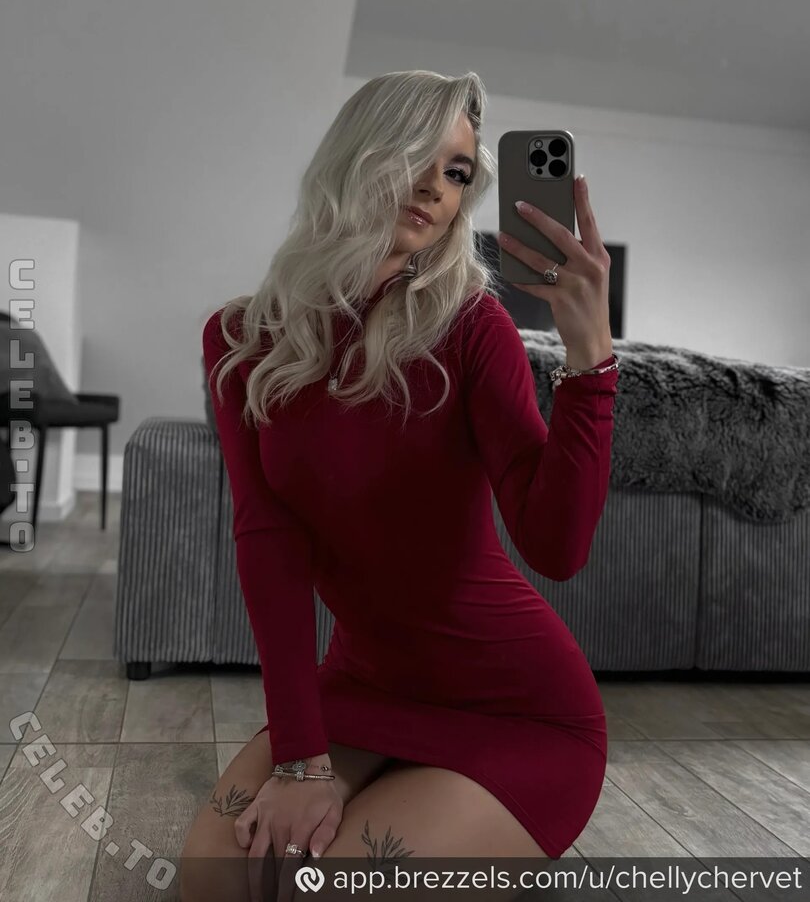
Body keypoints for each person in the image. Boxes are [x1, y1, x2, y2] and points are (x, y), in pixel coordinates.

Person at [182, 70, 618, 901]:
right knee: (214, 884)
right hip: (365, 689)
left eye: (456, 172)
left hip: (516, 711)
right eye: (417, 155)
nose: (434, 187)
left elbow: (556, 549)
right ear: (359, 153)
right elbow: (267, 542)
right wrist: (302, 757)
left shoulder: (473, 327)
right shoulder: (241, 338)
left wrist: (589, 361)